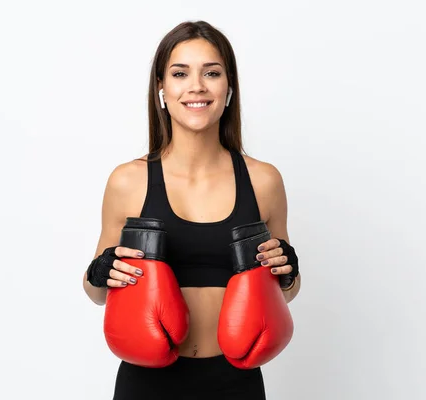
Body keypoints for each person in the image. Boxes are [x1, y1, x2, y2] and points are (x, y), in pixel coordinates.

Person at [82, 20, 301, 400]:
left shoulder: (263, 180)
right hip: (147, 383)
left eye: (211, 73)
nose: (196, 86)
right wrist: (102, 269)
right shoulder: (128, 181)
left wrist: (288, 269)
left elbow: (289, 290)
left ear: (228, 88)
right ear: (162, 89)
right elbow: (96, 293)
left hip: (235, 383)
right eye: (180, 73)